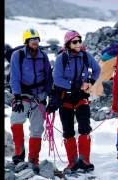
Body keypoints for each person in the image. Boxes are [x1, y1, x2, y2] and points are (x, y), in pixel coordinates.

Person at [47, 30, 100, 173]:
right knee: (68, 131)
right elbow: (57, 79)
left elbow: (97, 69)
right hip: (65, 97)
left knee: (84, 127)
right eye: (74, 41)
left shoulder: (85, 56)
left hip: (81, 96)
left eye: (79, 40)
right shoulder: (61, 58)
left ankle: (85, 160)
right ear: (68, 44)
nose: (78, 44)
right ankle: (72, 162)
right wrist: (75, 86)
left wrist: (90, 82)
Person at [9, 28, 52, 173]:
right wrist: (18, 98)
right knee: (16, 120)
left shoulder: (43, 56)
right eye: (32, 41)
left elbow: (48, 77)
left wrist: (46, 96)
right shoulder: (18, 55)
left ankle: (33, 159)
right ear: (26, 42)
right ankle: (19, 155)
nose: (35, 43)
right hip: (23, 95)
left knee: (37, 129)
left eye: (37, 41)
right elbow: (14, 77)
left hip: (39, 96)